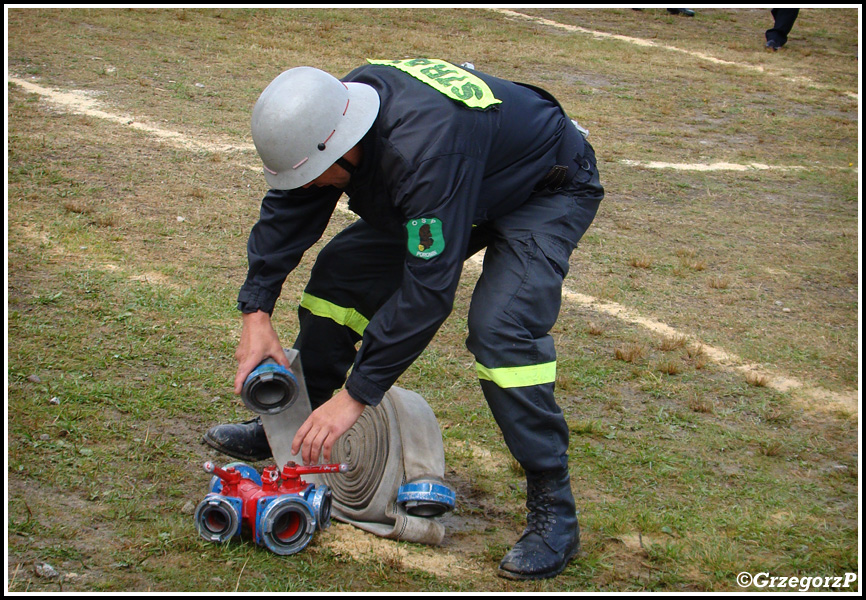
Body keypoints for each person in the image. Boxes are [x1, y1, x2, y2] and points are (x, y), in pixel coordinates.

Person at [203, 59, 604, 580]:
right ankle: (296, 431)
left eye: (311, 174)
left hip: (542, 186)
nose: (307, 186)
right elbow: (290, 205)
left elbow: (427, 291)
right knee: (343, 274)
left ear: (343, 147)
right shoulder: (331, 111)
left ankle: (554, 510)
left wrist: (357, 395)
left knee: (501, 329)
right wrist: (255, 310)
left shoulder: (425, 151)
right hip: (458, 176)